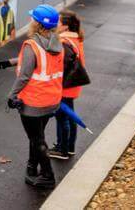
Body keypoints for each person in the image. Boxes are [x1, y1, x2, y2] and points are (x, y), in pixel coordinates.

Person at [0, 4, 64, 189]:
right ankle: (32, 167)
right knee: (37, 136)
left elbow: (25, 75)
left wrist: (12, 95)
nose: (31, 20)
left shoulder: (32, 45)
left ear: (37, 23)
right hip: (52, 101)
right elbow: (39, 61)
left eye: (33, 18)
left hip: (34, 102)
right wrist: (10, 62)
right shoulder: (58, 43)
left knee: (36, 139)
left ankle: (48, 176)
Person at [49, 10, 87, 160]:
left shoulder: (63, 42)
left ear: (65, 26)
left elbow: (60, 67)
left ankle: (62, 149)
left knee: (62, 118)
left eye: (57, 22)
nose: (55, 24)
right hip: (73, 84)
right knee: (70, 115)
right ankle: (70, 147)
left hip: (64, 86)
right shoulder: (76, 39)